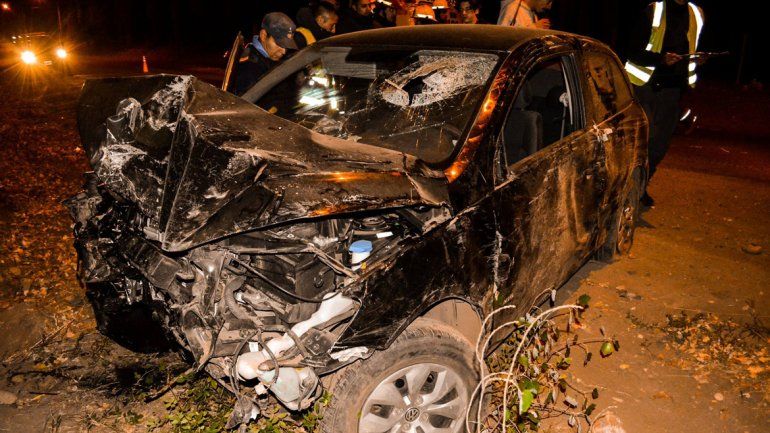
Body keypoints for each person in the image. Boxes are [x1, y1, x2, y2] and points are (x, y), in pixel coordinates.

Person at [625, 0, 705, 206]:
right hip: (644, 87)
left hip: (673, 90)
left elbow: (693, 46)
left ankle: (642, 185)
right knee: (643, 140)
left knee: (659, 145)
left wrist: (697, 59)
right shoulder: (654, 10)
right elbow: (631, 50)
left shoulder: (696, 14)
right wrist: (661, 59)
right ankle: (629, 188)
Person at [233, 12, 298, 96]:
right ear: (263, 35)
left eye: (286, 46)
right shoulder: (249, 66)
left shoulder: (268, 57)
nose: (284, 51)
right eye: (279, 44)